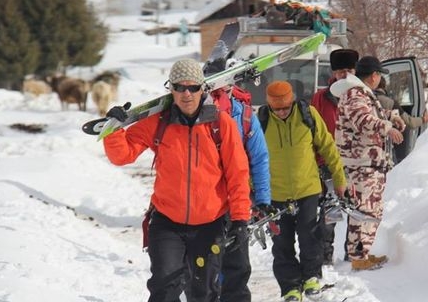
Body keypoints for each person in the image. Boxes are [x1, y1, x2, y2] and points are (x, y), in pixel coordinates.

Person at [102, 58, 251, 302]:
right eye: (179, 87)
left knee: (203, 292)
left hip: (210, 223)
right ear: (171, 89)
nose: (186, 94)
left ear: (203, 89)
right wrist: (114, 129)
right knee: (164, 286)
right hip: (168, 221)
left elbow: (238, 174)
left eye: (193, 87)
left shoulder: (219, 124)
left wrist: (240, 219)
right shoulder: (159, 122)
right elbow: (122, 155)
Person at [261, 80, 347, 302]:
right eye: (276, 108)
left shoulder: (307, 115)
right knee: (282, 242)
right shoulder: (260, 121)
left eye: (285, 107)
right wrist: (255, 191)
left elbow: (328, 146)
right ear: (269, 105)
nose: (281, 112)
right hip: (276, 194)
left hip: (307, 189)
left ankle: (310, 276)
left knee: (310, 236)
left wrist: (339, 178)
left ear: (292, 101)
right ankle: (290, 286)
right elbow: (251, 158)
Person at [331, 56, 405, 271]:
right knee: (363, 210)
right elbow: (362, 120)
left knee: (371, 209)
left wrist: (392, 116)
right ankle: (358, 256)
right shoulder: (355, 93)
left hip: (368, 161)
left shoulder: (361, 92)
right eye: (379, 75)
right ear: (374, 76)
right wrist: (387, 128)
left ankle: (363, 253)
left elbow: (372, 113)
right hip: (361, 162)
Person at [206, 71, 272, 302]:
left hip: (235, 201)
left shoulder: (243, 114)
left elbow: (259, 157)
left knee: (236, 266)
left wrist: (263, 198)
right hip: (202, 202)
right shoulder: (194, 112)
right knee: (203, 270)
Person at [310, 48, 359, 265]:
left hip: (356, 162)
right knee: (329, 211)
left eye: (348, 70)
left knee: (357, 208)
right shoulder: (321, 98)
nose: (344, 75)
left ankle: (355, 253)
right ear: (334, 73)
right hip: (328, 162)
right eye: (340, 71)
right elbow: (311, 131)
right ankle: (324, 255)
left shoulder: (362, 94)